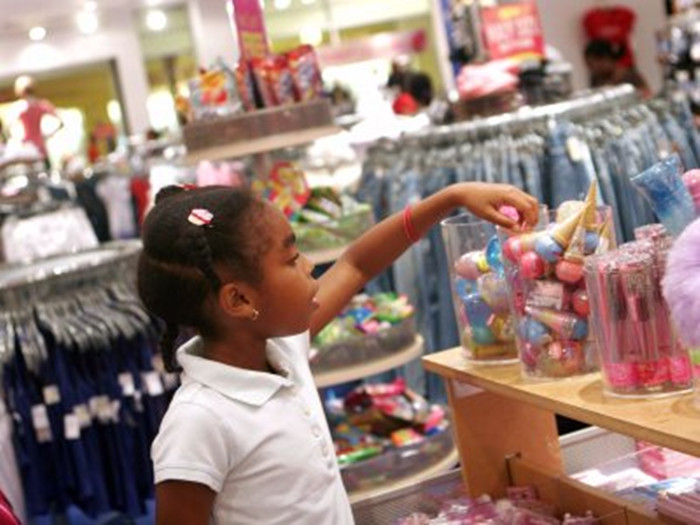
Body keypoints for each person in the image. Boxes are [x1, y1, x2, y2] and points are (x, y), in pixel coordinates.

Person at [138, 182, 539, 524]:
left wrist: (450, 198)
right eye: (292, 259)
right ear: (240, 299)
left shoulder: (281, 352)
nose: (309, 266)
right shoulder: (199, 421)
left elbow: (356, 264)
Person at [12, 75, 63, 167]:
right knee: (46, 169)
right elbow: (60, 121)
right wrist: (48, 135)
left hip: (27, 146)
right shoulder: (41, 105)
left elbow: (10, 127)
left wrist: (18, 139)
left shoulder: (20, 108)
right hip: (39, 145)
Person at [583, 39, 650, 97]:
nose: (592, 69)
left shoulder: (630, 76)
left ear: (606, 59)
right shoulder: (596, 79)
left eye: (592, 65)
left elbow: (646, 95)